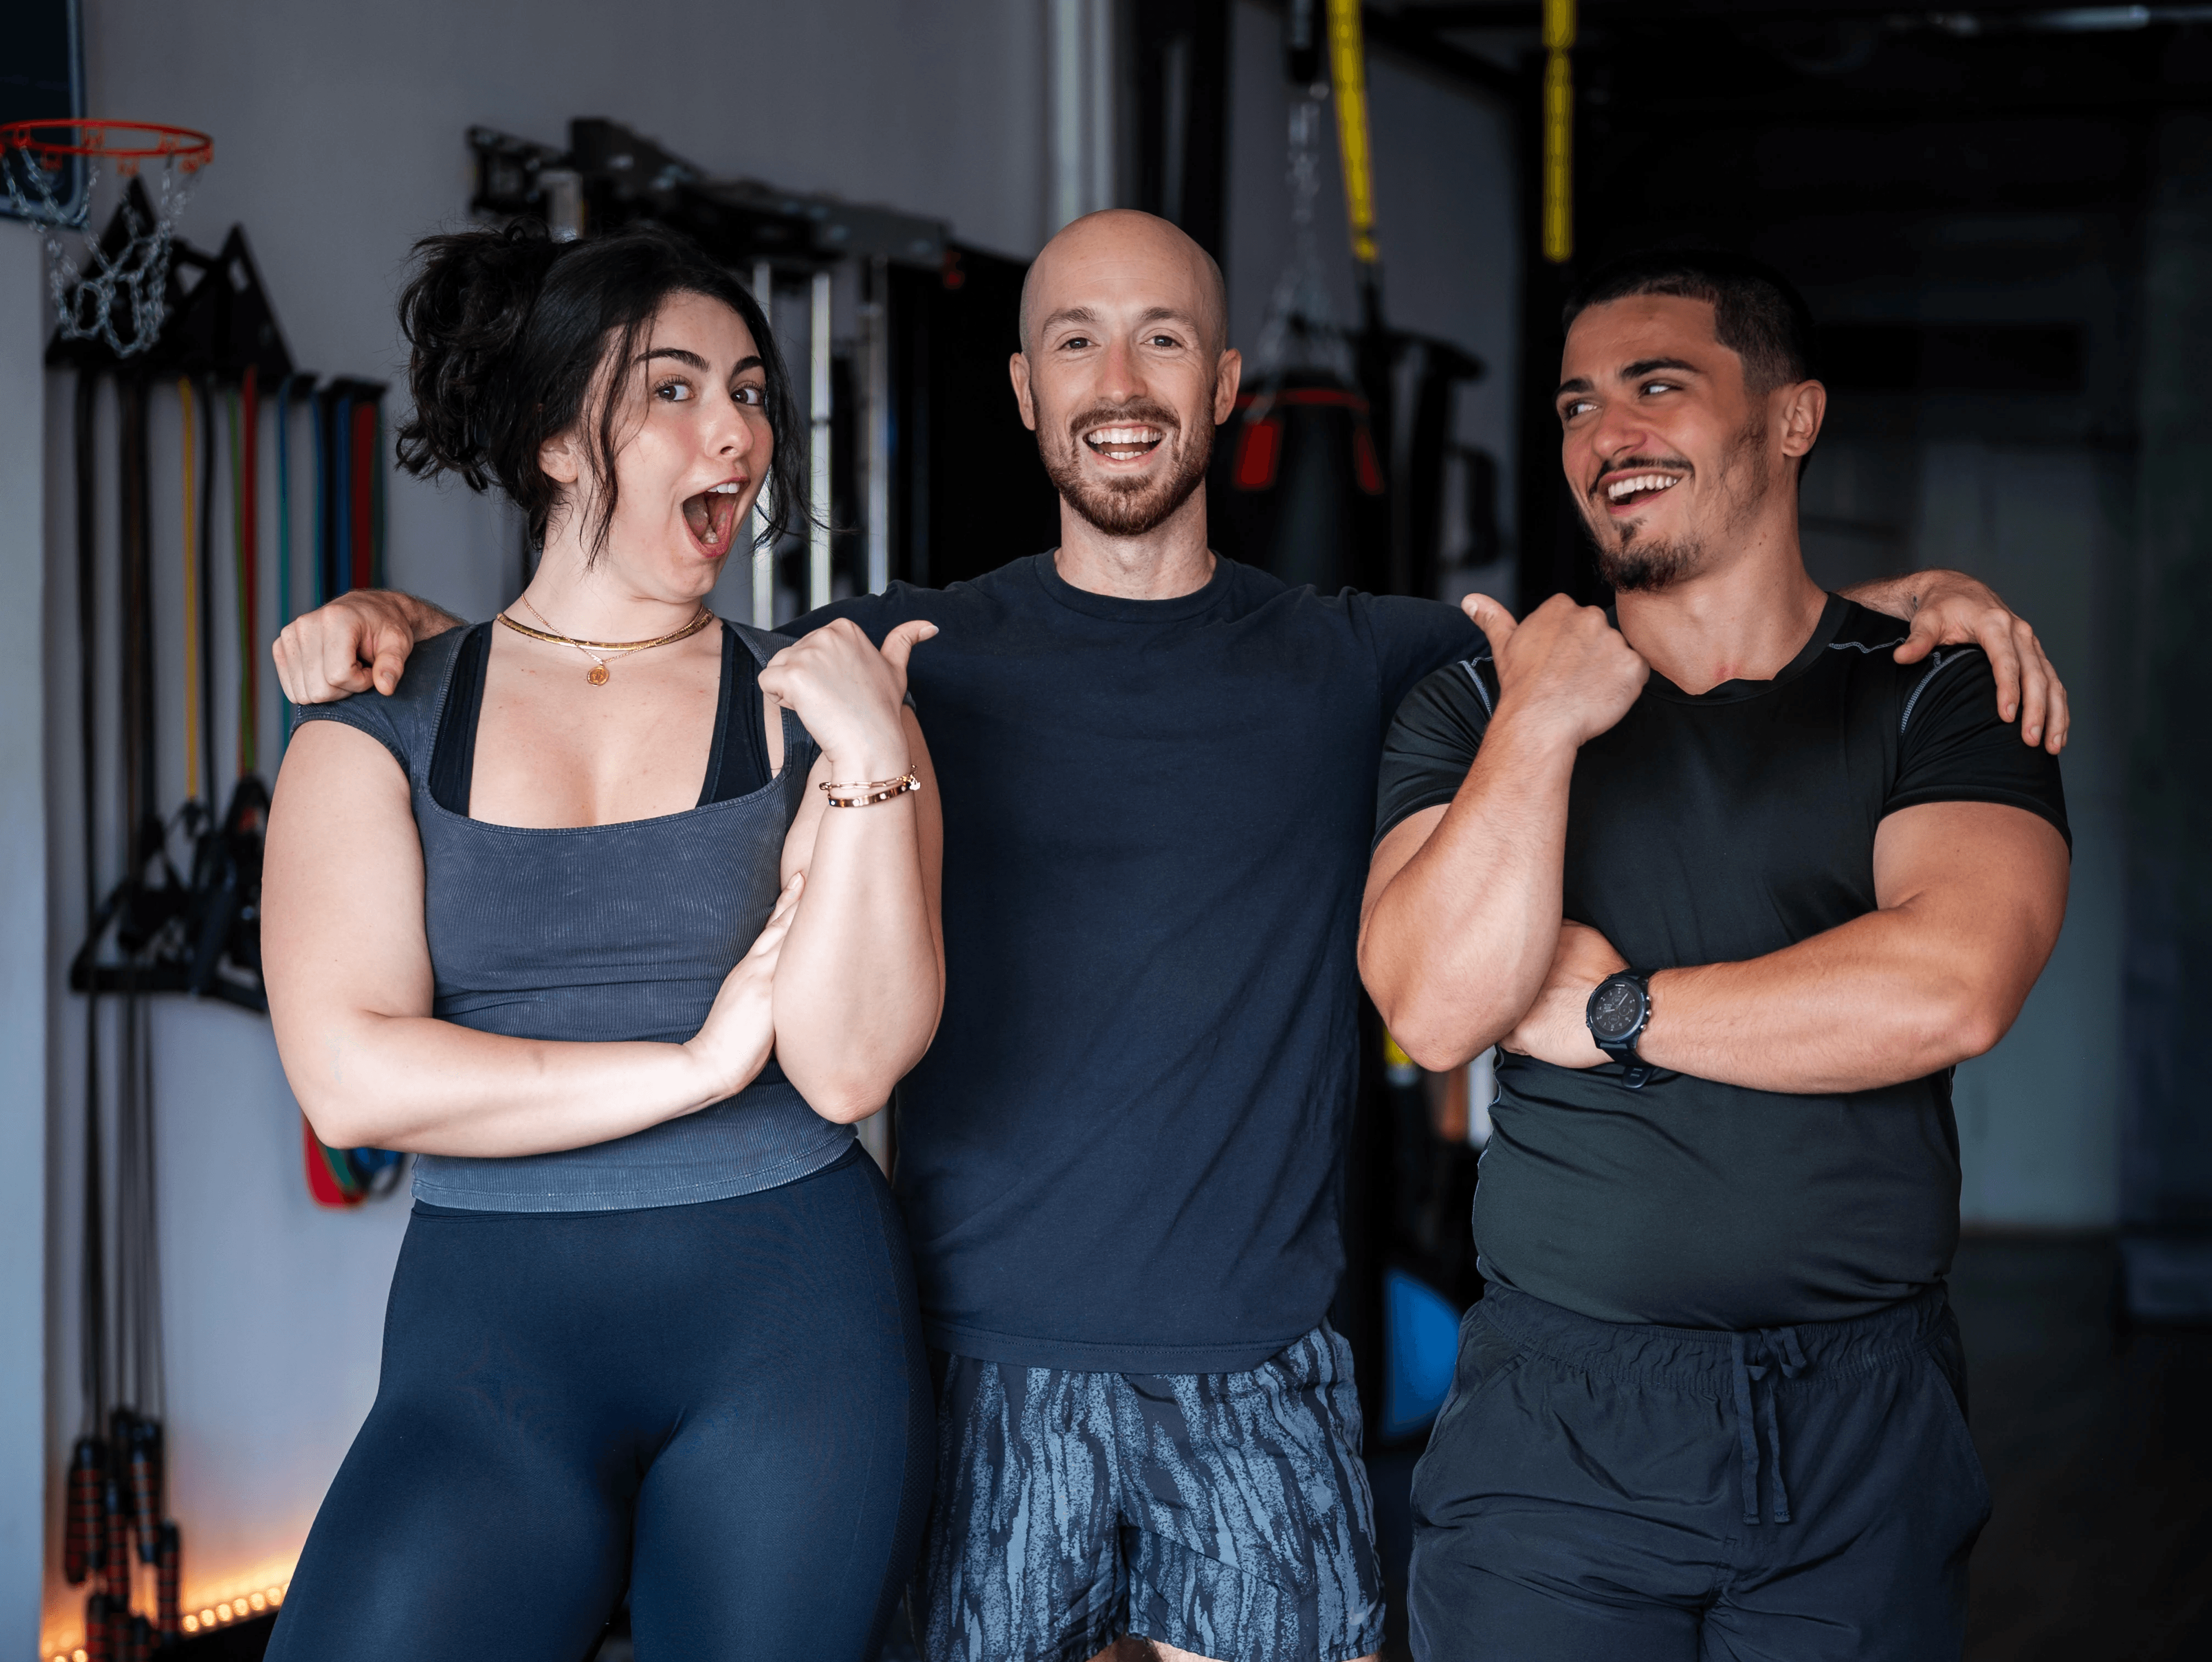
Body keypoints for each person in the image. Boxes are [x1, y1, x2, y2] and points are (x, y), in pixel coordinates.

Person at [274, 212, 2066, 1662]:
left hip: (1262, 1370)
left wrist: (1911, 602)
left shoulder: (1373, 652)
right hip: (969, 1358)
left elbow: (1664, 631)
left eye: (1157, 344)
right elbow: (619, 647)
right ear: (1019, 391)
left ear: (1223, 393)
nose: (1116, 384)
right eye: (1071, 340)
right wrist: (406, 636)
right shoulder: (895, 655)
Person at [1359, 249, 2071, 1661]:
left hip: (1858, 1425)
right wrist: (1539, 726)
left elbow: (1949, 984)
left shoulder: (1938, 689)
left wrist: (1617, 1009)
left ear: (1790, 419)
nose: (1604, 435)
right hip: (1557, 1426)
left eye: (1657, 387)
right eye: (1574, 405)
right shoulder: (1472, 706)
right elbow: (1437, 1010)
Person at [258, 223, 943, 1662]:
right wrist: (692, 1065)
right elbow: (354, 1079)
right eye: (679, 388)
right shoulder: (380, 712)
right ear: (563, 435)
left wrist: (878, 760)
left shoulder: (819, 704)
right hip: (489, 1358)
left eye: (753, 390)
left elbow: (846, 1060)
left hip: (794, 1343)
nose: (739, 430)